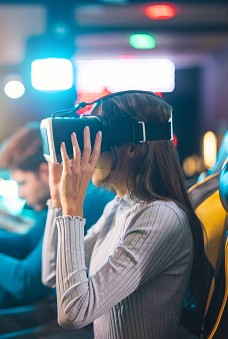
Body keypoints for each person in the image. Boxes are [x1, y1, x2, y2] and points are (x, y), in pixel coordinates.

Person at [42, 90, 208, 338]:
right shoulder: (118, 207)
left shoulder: (160, 217)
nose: (90, 154)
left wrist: (72, 206)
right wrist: (58, 201)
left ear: (133, 147)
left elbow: (74, 313)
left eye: (98, 141)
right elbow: (54, 275)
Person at [0, 123, 114, 335]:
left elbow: (27, 282)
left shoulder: (83, 201)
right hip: (62, 311)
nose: (21, 195)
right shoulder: (72, 197)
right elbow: (29, 242)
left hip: (86, 327)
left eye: (22, 183)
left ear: (45, 171)